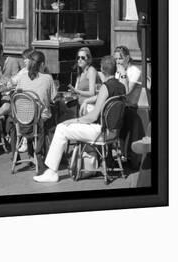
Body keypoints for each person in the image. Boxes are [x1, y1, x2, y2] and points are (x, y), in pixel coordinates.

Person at [34, 55, 125, 183]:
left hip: (102, 132)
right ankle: (52, 170)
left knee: (61, 128)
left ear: (102, 71)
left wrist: (73, 120)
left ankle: (52, 172)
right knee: (63, 127)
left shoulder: (106, 87)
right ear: (115, 70)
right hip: (114, 132)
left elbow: (93, 116)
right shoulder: (121, 87)